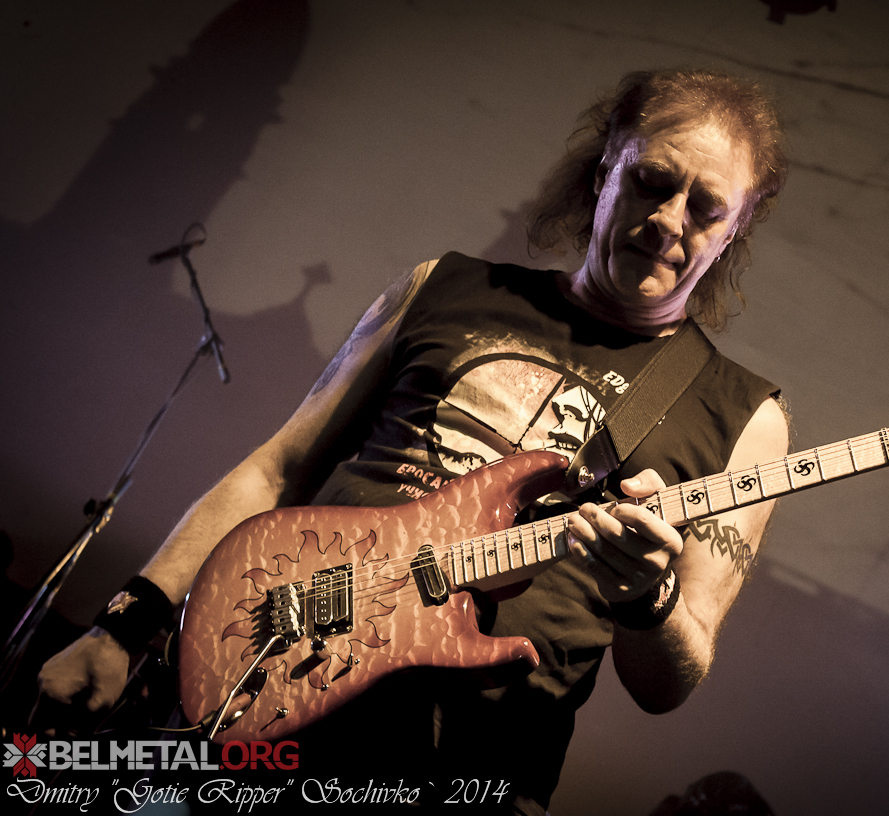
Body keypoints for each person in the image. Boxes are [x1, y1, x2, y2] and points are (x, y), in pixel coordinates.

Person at [38, 68, 790, 813]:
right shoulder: (444, 288)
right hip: (273, 687)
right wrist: (126, 623)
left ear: (734, 231)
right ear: (605, 174)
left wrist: (649, 597)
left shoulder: (743, 417)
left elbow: (669, 683)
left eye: (706, 208)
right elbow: (277, 471)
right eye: (652, 182)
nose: (669, 220)